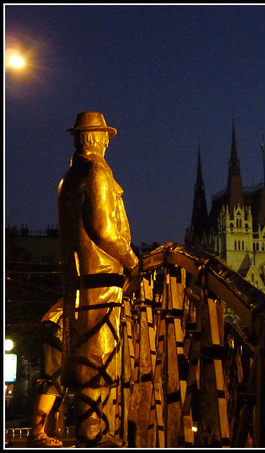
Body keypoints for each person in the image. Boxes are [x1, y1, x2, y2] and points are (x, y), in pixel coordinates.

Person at [57, 111, 138, 448]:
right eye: (104, 136)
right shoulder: (96, 172)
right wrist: (132, 260)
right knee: (98, 356)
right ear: (95, 138)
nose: (107, 141)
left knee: (88, 356)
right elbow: (103, 228)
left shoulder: (69, 177)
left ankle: (91, 432)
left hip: (78, 280)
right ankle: (94, 434)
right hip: (101, 279)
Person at [27, 300, 65, 448]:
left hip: (59, 324)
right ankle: (37, 434)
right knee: (54, 378)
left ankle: (47, 435)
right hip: (58, 324)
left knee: (59, 382)